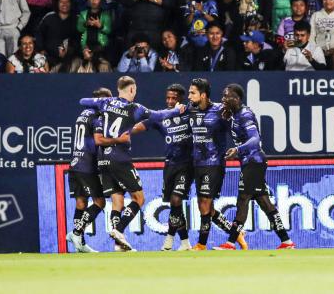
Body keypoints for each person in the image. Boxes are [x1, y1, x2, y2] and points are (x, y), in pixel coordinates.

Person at [79, 76, 185, 251]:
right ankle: (119, 230)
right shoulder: (135, 108)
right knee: (139, 198)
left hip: (102, 159)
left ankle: (118, 244)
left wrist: (100, 102)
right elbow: (159, 115)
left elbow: (83, 101)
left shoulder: (106, 102)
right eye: (134, 91)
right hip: (119, 157)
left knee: (117, 200)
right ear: (131, 90)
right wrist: (177, 111)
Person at [214, 84, 295, 250]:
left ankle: (230, 242)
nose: (223, 99)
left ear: (236, 98)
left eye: (226, 95)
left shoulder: (245, 115)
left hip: (254, 161)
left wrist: (238, 149)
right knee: (264, 202)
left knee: (243, 200)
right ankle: (286, 241)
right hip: (250, 162)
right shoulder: (234, 115)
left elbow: (255, 140)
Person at [186, 78, 247, 251]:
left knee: (205, 204)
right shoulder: (190, 110)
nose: (189, 96)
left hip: (214, 163)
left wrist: (241, 148)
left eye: (192, 93)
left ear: (203, 95)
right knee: (205, 206)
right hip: (197, 163)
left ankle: (201, 244)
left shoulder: (220, 111)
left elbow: (236, 129)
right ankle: (235, 233)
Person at [132, 84, 194, 251]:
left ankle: (169, 239)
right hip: (169, 165)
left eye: (174, 98)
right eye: (168, 97)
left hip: (187, 164)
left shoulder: (190, 112)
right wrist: (126, 131)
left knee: (176, 200)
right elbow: (143, 125)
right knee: (175, 205)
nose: (170, 101)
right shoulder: (162, 116)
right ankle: (186, 242)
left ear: (181, 99)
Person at [66, 88, 120, 253]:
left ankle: (79, 243)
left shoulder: (83, 114)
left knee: (81, 202)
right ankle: (76, 233)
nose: (111, 104)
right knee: (100, 202)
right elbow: (98, 141)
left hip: (75, 163)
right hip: (87, 165)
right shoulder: (98, 116)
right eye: (109, 101)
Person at [36, 0, 78, 67]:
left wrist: (70, 50)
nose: (64, 4)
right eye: (61, 2)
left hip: (70, 58)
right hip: (48, 57)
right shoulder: (49, 17)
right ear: (57, 3)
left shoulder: (77, 19)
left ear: (71, 3)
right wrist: (41, 49)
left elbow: (80, 39)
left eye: (67, 2)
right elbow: (39, 34)